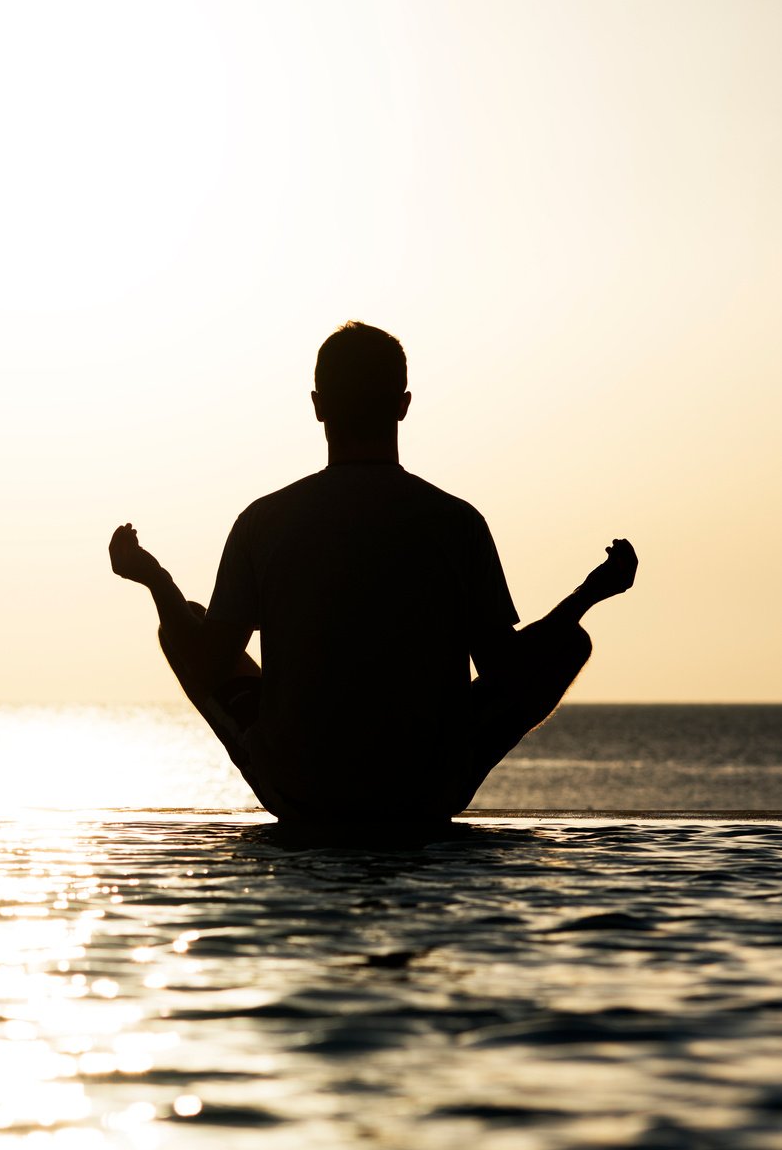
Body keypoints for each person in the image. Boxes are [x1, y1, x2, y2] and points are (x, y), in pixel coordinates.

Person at [109, 320, 636, 827]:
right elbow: (506, 669)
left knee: (185, 623)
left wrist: (154, 578)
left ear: (317, 408)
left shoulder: (262, 523)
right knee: (570, 642)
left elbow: (209, 660)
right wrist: (588, 595)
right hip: (426, 790)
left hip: (301, 789)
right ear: (403, 406)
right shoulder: (457, 523)